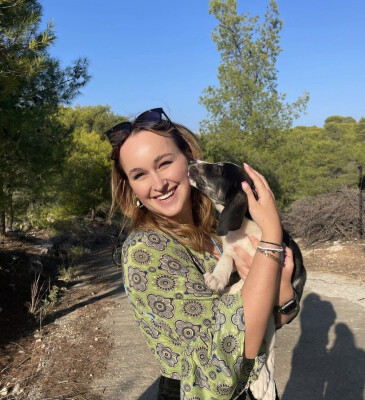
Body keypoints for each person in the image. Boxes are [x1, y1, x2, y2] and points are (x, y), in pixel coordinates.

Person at [106, 108, 297, 400]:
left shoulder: (212, 228)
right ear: (130, 188)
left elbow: (273, 318)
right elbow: (229, 349)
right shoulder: (145, 251)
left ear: (188, 159)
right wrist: (271, 235)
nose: (158, 184)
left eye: (165, 163)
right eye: (140, 174)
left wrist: (284, 298)